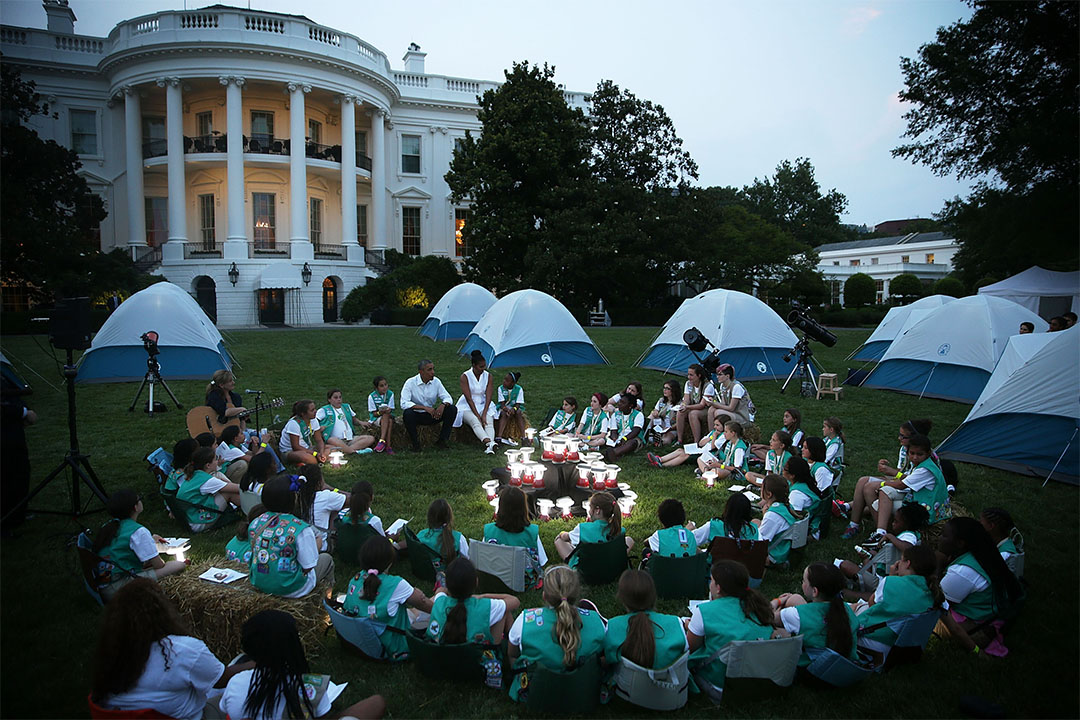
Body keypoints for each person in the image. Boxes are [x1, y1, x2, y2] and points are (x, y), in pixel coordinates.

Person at [91, 579, 253, 719]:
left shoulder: (112, 651)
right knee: (241, 696)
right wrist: (257, 662)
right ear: (162, 611)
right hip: (187, 716)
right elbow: (221, 680)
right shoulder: (181, 650)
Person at [222, 609, 385, 720]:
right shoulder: (308, 688)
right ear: (294, 646)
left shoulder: (236, 683)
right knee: (377, 702)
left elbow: (226, 710)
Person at [507, 565, 605, 702]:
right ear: (577, 593)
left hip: (535, 693)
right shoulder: (596, 622)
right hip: (583, 693)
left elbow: (512, 654)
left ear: (544, 595)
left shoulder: (524, 621)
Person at [686, 560, 774, 696]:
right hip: (760, 680)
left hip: (719, 685)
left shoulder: (704, 611)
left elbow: (690, 648)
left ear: (718, 587)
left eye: (712, 581)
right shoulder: (760, 608)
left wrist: (689, 627)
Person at [936, 517, 1024, 654]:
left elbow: (936, 600)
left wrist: (938, 565)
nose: (939, 538)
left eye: (944, 535)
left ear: (960, 543)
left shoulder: (962, 571)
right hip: (988, 615)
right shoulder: (983, 555)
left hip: (972, 625)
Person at [342, 536, 434, 659]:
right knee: (438, 601)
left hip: (363, 641)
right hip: (392, 647)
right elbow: (426, 606)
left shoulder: (356, 579)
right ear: (390, 561)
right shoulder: (395, 584)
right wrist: (440, 594)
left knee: (414, 612)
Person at [845, 434, 948, 542]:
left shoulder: (925, 469)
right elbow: (906, 479)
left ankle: (882, 533)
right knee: (868, 484)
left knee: (879, 494)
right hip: (914, 496)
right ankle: (864, 526)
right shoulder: (921, 463)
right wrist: (889, 476)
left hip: (924, 508)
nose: (915, 457)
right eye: (912, 453)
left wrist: (882, 483)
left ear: (927, 454)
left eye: (919, 454)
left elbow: (901, 484)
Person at [248, 475, 334, 598]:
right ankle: (327, 602)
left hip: (259, 582)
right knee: (326, 559)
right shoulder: (301, 529)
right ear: (293, 499)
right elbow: (309, 566)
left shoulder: (256, 522)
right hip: (292, 588)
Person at [854, 544, 941, 663]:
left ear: (908, 563)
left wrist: (890, 577)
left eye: (901, 559)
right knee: (858, 606)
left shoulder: (891, 582)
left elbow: (872, 605)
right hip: (905, 649)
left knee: (844, 610)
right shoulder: (935, 593)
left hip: (876, 641)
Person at [94, 489, 187, 599]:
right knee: (178, 565)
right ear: (135, 507)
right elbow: (159, 565)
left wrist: (150, 541)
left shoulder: (110, 526)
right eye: (139, 499)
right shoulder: (139, 531)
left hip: (104, 582)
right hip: (118, 588)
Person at [772, 562, 859, 667]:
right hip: (843, 668)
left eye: (804, 580)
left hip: (813, 671)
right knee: (795, 599)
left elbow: (765, 617)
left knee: (773, 631)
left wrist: (778, 601)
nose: (802, 583)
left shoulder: (798, 615)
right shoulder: (845, 609)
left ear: (814, 591)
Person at [427, 557, 520, 649]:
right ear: (476, 582)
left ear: (447, 585)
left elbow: (439, 591)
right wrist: (483, 596)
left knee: (501, 609)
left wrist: (442, 586)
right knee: (503, 611)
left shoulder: (439, 601)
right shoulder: (485, 606)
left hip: (440, 657)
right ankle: (512, 645)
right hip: (479, 660)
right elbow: (515, 601)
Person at [837, 503, 927, 597]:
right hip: (881, 574)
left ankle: (857, 593)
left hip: (882, 581)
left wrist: (889, 536)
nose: (893, 524)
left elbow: (908, 548)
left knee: (845, 565)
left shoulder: (909, 536)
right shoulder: (906, 536)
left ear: (907, 524)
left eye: (896, 522)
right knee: (868, 557)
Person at [605, 570, 688, 671]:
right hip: (670, 686)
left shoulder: (612, 627)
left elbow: (607, 660)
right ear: (653, 595)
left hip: (623, 686)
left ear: (622, 598)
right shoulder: (676, 624)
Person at [483, 486, 547, 588]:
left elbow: (484, 560)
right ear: (524, 508)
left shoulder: (489, 531)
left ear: (501, 506)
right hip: (524, 581)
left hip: (497, 581)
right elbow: (542, 561)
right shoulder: (532, 532)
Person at [554, 492, 634, 567]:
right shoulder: (619, 530)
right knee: (629, 539)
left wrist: (562, 533)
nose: (589, 511)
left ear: (597, 511)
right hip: (611, 566)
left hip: (586, 569)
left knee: (559, 540)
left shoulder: (583, 528)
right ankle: (615, 561)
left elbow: (565, 537)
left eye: (590, 507)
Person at [176, 447, 241, 532]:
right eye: (215, 459)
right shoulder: (207, 481)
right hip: (196, 522)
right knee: (229, 492)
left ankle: (248, 510)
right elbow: (238, 488)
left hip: (189, 517)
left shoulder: (195, 474)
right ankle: (253, 512)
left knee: (220, 479)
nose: (217, 461)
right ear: (208, 465)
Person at [400, 359, 457, 452]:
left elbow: (448, 397)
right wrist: (424, 408)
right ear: (421, 372)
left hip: (433, 415)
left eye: (433, 369)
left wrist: (442, 405)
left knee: (452, 409)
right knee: (407, 414)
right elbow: (404, 403)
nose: (433, 372)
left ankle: (442, 440)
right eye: (429, 370)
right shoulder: (410, 383)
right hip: (417, 415)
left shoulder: (436, 382)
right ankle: (415, 444)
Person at [294, 464, 349, 551]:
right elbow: (353, 499)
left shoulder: (296, 496)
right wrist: (331, 489)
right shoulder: (325, 497)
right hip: (322, 546)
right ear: (319, 482)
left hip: (302, 544)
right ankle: (332, 539)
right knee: (339, 507)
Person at [647, 413, 729, 469]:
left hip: (706, 454)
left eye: (717, 425)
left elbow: (713, 447)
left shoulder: (723, 436)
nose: (715, 427)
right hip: (700, 450)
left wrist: (714, 437)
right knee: (680, 450)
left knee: (684, 455)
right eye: (714, 424)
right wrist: (710, 437)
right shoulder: (712, 433)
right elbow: (700, 443)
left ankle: (663, 465)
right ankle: (660, 459)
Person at [455, 350, 497, 454]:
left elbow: (489, 395)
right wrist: (478, 415)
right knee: (475, 421)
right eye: (481, 367)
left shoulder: (488, 376)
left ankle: (489, 445)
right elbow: (469, 398)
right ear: (474, 365)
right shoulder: (465, 376)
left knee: (488, 422)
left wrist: (485, 411)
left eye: (484, 366)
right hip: (467, 406)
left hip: (483, 404)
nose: (483, 369)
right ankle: (490, 443)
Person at [753, 474, 798, 566]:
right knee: (755, 521)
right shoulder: (786, 506)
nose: (760, 490)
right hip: (784, 546)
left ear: (769, 494)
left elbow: (760, 542)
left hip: (776, 554)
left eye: (762, 488)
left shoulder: (772, 515)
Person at [316, 389, 375, 455]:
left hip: (350, 438)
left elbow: (354, 419)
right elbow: (314, 421)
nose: (338, 399)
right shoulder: (324, 410)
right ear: (329, 400)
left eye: (340, 397)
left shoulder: (346, 407)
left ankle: (346, 450)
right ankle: (354, 451)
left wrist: (361, 422)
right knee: (332, 439)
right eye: (335, 398)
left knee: (370, 438)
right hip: (336, 439)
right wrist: (319, 427)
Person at [694, 493, 759, 547]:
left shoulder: (713, 526)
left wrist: (688, 529)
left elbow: (691, 541)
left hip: (717, 562)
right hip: (744, 562)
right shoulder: (754, 530)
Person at [417, 498, 470, 562]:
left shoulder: (421, 536)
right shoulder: (458, 538)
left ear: (429, 517)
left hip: (426, 571)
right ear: (449, 517)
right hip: (452, 571)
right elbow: (468, 559)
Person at [979, 507, 1024, 578]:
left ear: (991, 526)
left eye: (981, 522)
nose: (979, 525)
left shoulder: (1003, 555)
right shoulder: (1005, 542)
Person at [279, 399, 327, 466]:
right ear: (303, 414)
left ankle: (314, 460)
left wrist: (321, 452)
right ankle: (314, 460)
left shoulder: (314, 420)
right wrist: (315, 454)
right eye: (312, 410)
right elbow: (295, 447)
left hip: (307, 448)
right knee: (307, 457)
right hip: (291, 451)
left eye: (315, 409)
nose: (315, 411)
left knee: (329, 448)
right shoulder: (294, 424)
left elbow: (319, 440)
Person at [675, 364, 715, 445]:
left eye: (691, 375)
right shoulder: (688, 384)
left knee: (693, 414)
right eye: (688, 374)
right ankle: (679, 440)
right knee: (680, 412)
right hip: (693, 406)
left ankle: (696, 442)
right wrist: (683, 405)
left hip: (706, 409)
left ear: (699, 375)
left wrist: (687, 407)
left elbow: (702, 405)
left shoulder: (708, 386)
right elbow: (686, 399)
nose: (689, 377)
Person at [604, 392, 645, 460]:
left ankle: (613, 453)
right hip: (620, 436)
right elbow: (613, 430)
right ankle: (614, 454)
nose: (619, 404)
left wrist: (625, 438)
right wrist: (614, 437)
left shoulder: (638, 415)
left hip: (633, 438)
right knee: (609, 438)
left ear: (630, 406)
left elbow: (636, 431)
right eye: (620, 402)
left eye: (623, 403)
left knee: (632, 443)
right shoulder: (616, 414)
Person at [366, 376, 396, 454]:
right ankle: (388, 446)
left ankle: (381, 442)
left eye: (385, 384)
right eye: (381, 386)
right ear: (376, 387)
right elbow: (373, 413)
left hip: (388, 416)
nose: (384, 387)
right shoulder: (372, 396)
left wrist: (388, 410)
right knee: (389, 421)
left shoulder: (390, 394)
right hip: (376, 418)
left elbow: (391, 409)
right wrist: (381, 413)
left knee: (387, 417)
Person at [494, 371, 526, 445]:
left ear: (513, 383)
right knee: (504, 414)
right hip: (504, 408)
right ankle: (499, 437)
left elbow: (518, 404)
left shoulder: (519, 389)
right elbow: (502, 404)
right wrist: (507, 410)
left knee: (518, 413)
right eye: (504, 379)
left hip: (514, 407)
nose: (504, 382)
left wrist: (513, 409)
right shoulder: (500, 388)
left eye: (507, 381)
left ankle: (524, 437)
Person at [646, 379, 681, 446]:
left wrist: (669, 429)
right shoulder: (661, 400)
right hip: (661, 423)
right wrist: (655, 412)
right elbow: (655, 410)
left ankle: (657, 440)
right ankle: (646, 433)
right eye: (664, 388)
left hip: (671, 428)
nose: (664, 390)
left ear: (674, 390)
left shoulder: (680, 404)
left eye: (667, 388)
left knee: (667, 440)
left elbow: (680, 422)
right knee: (651, 416)